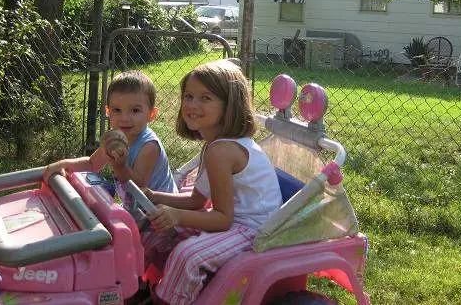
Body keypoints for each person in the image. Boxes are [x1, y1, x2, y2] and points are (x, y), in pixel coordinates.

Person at [142, 60, 282, 305]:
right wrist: (155, 196)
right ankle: (152, 287)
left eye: (205, 98)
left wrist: (176, 215)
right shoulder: (214, 146)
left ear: (229, 106)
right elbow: (197, 201)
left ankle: (171, 300)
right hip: (233, 222)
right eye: (188, 96)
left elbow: (222, 219)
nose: (192, 105)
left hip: (255, 231)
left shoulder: (222, 151)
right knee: (161, 235)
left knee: (188, 255)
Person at [43, 71, 177, 198]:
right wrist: (63, 164)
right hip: (137, 209)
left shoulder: (149, 146)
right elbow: (91, 164)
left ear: (151, 114)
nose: (124, 118)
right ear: (108, 112)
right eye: (117, 110)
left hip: (162, 213)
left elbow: (139, 186)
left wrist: (120, 166)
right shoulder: (113, 140)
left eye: (135, 110)